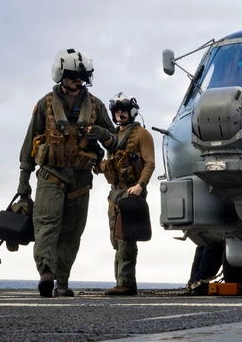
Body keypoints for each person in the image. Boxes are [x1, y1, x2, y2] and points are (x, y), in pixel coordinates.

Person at [16, 48, 116, 298]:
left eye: (82, 76)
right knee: (46, 226)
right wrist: (23, 183)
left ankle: (62, 281)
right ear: (61, 74)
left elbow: (115, 140)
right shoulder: (45, 104)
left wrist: (103, 134)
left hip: (80, 178)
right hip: (51, 175)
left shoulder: (96, 106)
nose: (78, 80)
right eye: (73, 76)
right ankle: (46, 273)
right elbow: (29, 144)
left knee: (72, 232)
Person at [102, 93, 155, 296]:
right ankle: (120, 281)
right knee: (116, 239)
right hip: (115, 192)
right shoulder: (113, 137)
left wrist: (141, 185)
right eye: (117, 111)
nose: (120, 113)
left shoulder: (141, 134)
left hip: (132, 191)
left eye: (123, 110)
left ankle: (126, 283)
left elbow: (149, 163)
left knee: (126, 240)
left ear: (131, 111)